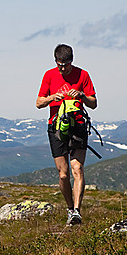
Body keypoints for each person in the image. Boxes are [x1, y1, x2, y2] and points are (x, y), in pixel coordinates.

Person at [36, 44, 97, 226]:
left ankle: (77, 211)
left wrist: (81, 95)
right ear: (56, 61)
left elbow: (93, 103)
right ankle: (70, 208)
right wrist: (51, 97)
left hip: (78, 125)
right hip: (57, 127)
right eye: (60, 64)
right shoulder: (49, 75)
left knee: (77, 169)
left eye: (66, 64)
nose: (63, 68)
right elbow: (38, 103)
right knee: (63, 175)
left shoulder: (83, 75)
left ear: (72, 60)